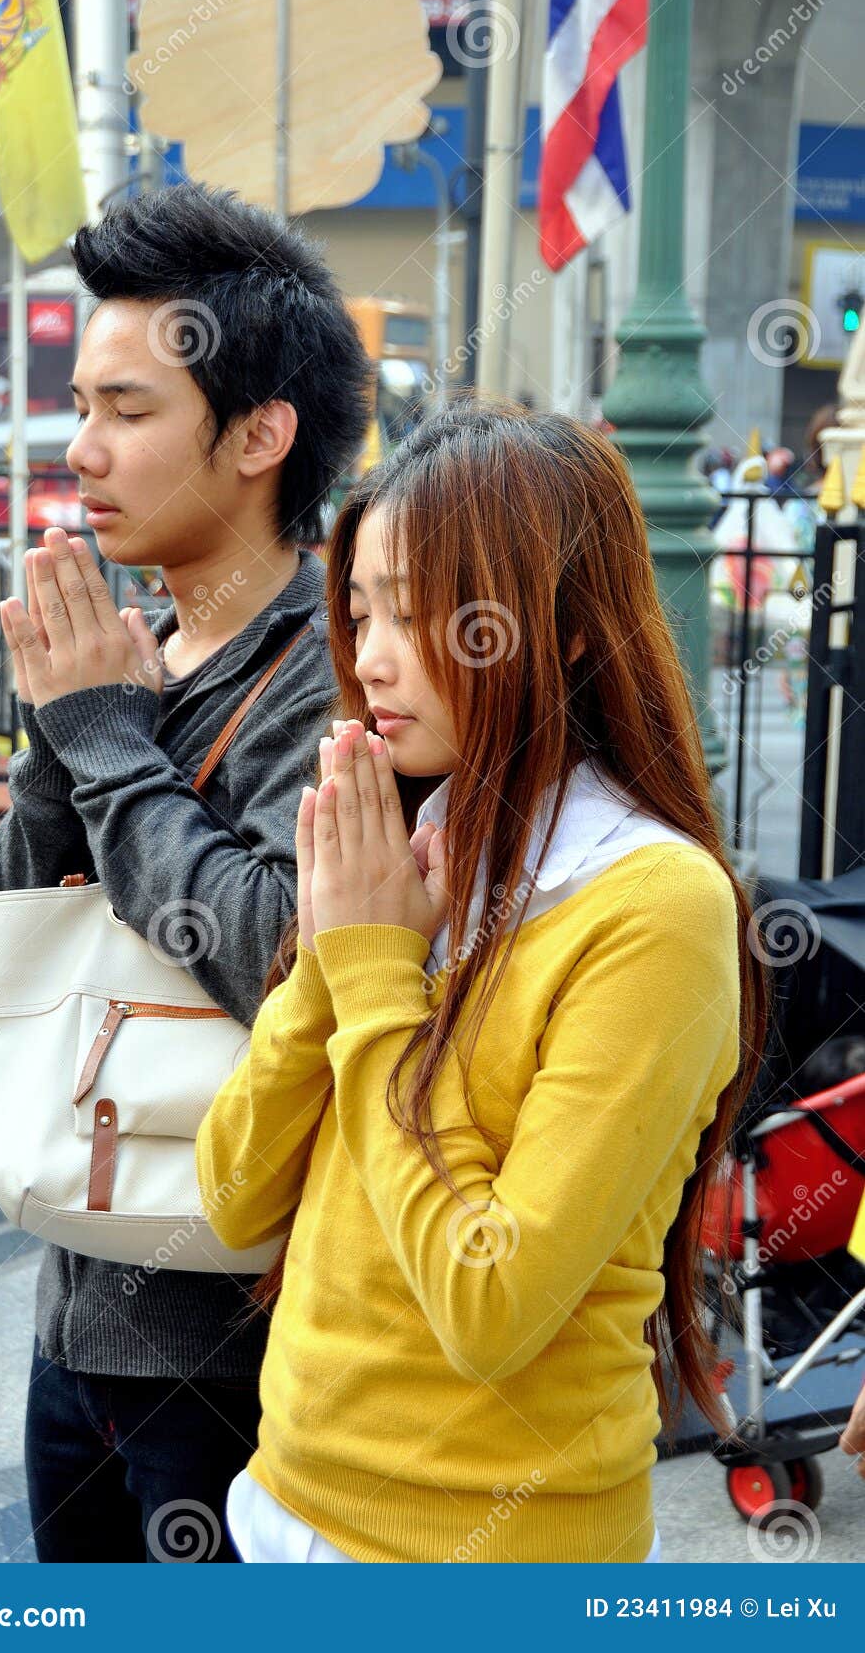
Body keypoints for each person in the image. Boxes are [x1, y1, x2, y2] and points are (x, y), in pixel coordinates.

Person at [196, 401, 769, 1563]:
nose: (370, 656)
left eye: (416, 610)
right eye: (359, 611)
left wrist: (368, 974)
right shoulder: (415, 846)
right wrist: (334, 951)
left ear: (559, 628)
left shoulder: (653, 905)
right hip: (283, 1505)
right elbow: (234, 1196)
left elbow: (490, 1305)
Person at [0, 181, 370, 1562]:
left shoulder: (341, 669)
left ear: (262, 433)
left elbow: (282, 954)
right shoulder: (135, 642)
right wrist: (60, 740)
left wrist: (103, 740)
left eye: (127, 411)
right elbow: (22, 927)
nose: (81, 450)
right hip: (74, 1293)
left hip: (234, 1339)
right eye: (80, 404)